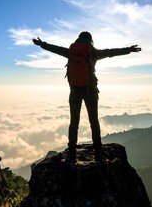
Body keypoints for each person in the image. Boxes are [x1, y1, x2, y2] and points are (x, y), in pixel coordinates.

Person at [32, 31, 141, 162]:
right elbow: (111, 52)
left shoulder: (70, 52)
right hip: (90, 91)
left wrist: (41, 44)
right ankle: (98, 152)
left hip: (74, 91)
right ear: (90, 41)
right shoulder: (93, 53)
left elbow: (55, 49)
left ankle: (72, 152)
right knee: (94, 122)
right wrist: (128, 50)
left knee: (74, 122)